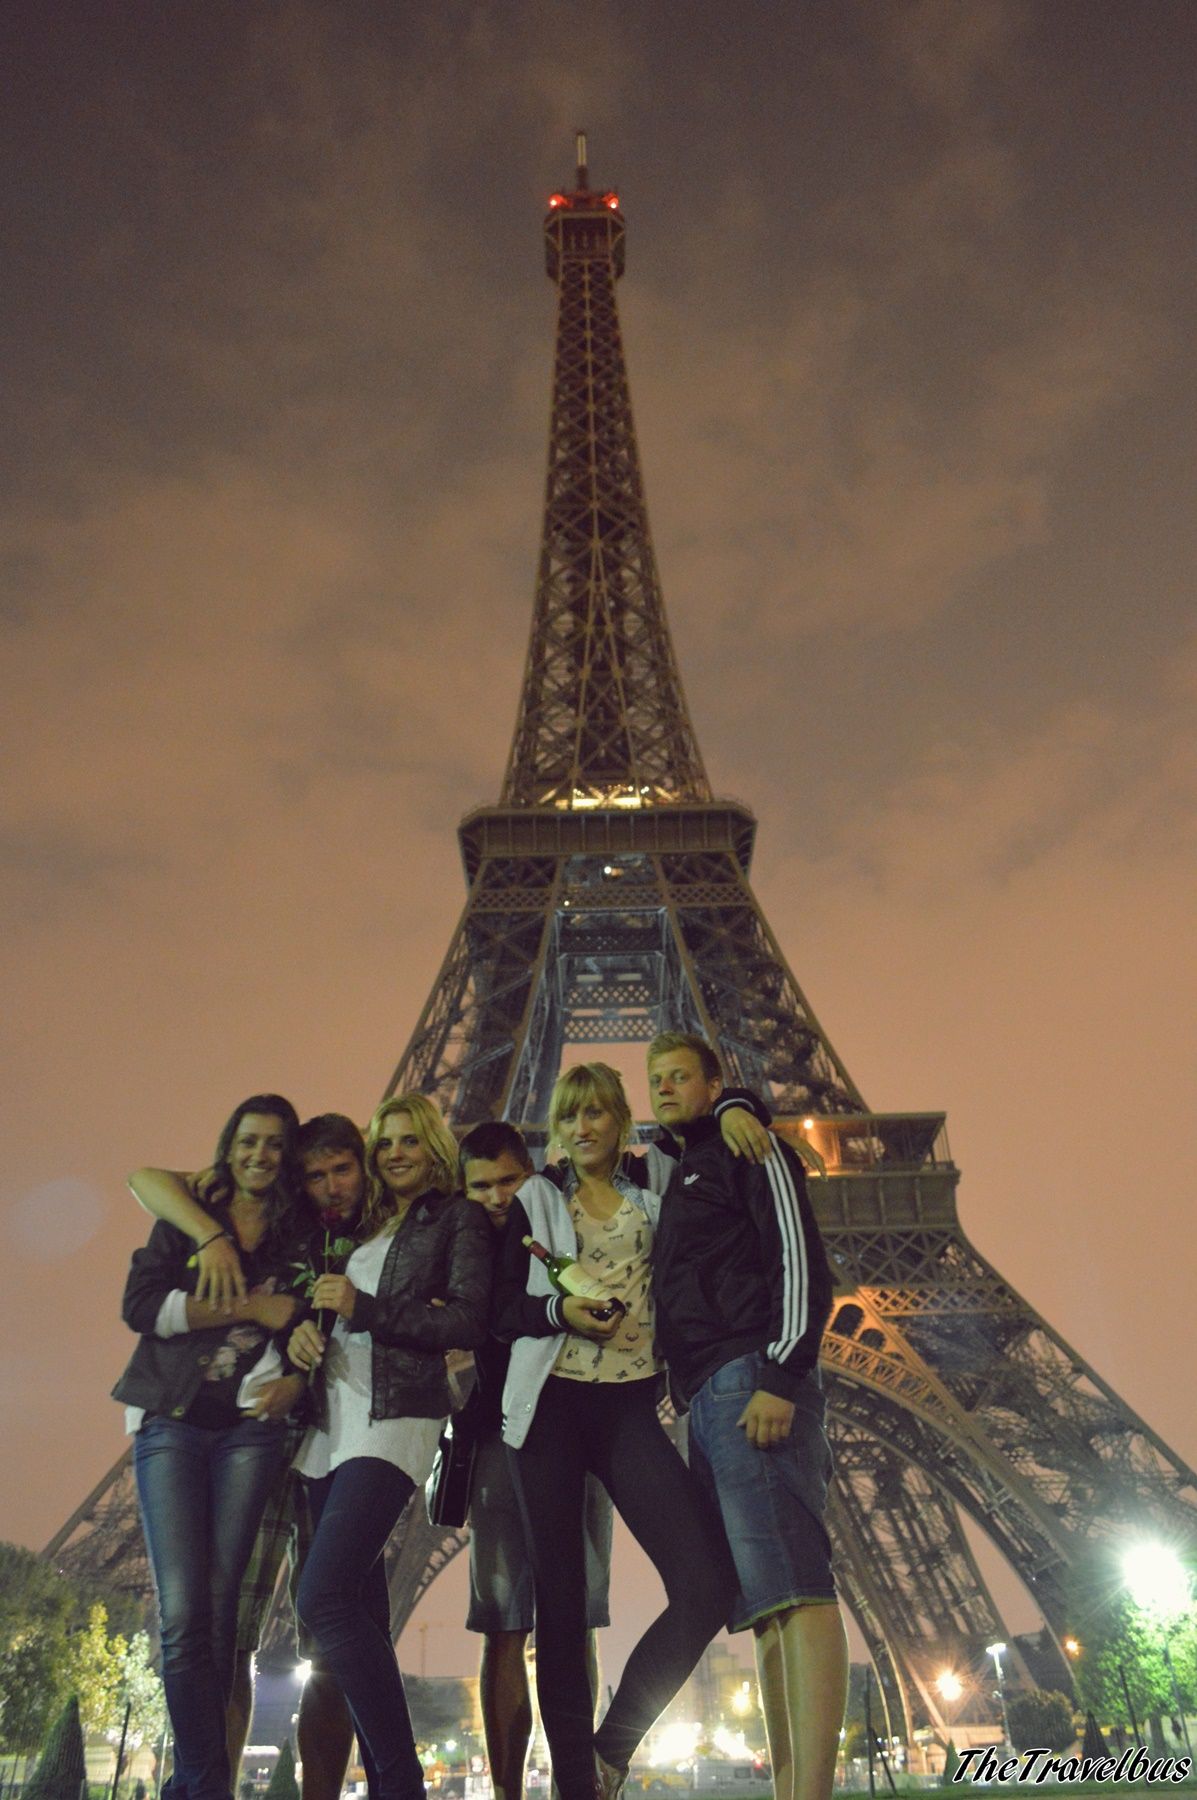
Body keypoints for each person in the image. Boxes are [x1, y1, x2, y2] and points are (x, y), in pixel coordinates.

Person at [494, 1062, 740, 1800]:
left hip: (628, 1406)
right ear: (557, 1129)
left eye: (597, 1112)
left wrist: (735, 1103)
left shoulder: (654, 1185)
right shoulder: (533, 1200)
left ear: (621, 1117)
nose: (582, 1127)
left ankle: (612, 1746)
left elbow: (711, 1117)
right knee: (561, 1607)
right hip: (550, 1410)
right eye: (569, 1116)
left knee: (707, 1586)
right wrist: (555, 1313)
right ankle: (577, 1785)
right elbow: (499, 1308)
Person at [130, 1113, 368, 1800]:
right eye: (314, 1171)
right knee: (219, 1625)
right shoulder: (253, 1222)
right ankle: (208, 1787)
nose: (327, 1184)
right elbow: (145, 1181)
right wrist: (209, 1234)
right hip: (248, 1429)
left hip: (333, 1440)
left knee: (331, 1627)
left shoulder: (366, 1226)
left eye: (340, 1169)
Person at [645, 1033, 848, 1800]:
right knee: (766, 1604)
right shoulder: (676, 1169)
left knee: (795, 1586)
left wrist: (782, 1373)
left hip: (747, 1377)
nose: (664, 1088)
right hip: (701, 1394)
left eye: (679, 1077)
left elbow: (798, 1261)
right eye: (654, 1079)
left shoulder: (748, 1150)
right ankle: (791, 1788)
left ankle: (809, 1793)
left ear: (713, 1081)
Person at [287, 1092, 492, 1800]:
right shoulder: (366, 1227)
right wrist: (308, 1333)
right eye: (387, 1143)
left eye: (410, 1140)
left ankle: (401, 1786)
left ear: (434, 1145)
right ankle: (385, 1785)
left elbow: (467, 1319)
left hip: (395, 1415)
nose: (397, 1152)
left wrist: (362, 1309)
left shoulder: (456, 1218)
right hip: (331, 1426)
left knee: (321, 1596)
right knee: (361, 1613)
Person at [113, 1095, 311, 1800]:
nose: (261, 1156)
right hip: (170, 1419)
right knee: (182, 1614)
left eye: (275, 1146)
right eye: (249, 1142)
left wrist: (297, 1374)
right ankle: (201, 1781)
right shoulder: (190, 1213)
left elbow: (312, 1321)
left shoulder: (302, 1231)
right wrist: (223, 1263)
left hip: (250, 1429)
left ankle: (199, 1786)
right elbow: (141, 1309)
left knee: (222, 1615)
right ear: (230, 1145)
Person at [458, 1121, 613, 1800]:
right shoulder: (464, 1245)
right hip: (499, 1431)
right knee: (503, 1620)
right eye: (482, 1185)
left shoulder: (568, 1214)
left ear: (535, 1173)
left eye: (508, 1181)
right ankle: (507, 1794)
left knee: (573, 1614)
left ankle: (574, 1784)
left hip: (575, 1423)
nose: (496, 1197)